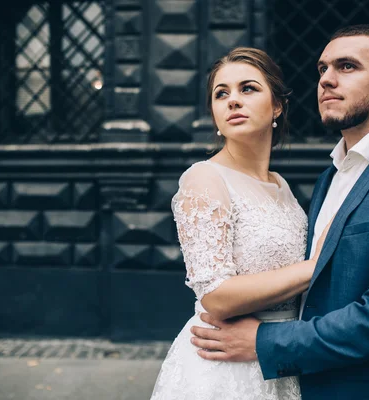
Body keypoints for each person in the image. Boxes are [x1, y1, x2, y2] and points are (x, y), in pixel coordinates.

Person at [190, 24, 369, 400]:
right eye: (322, 69)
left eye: (347, 67)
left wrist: (264, 340)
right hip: (299, 382)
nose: (327, 80)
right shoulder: (328, 178)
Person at [151, 47, 320, 399]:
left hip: (280, 356)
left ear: (277, 106)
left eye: (248, 89)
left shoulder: (281, 185)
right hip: (225, 367)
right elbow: (216, 296)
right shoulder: (205, 179)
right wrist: (317, 267)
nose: (233, 101)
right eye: (221, 93)